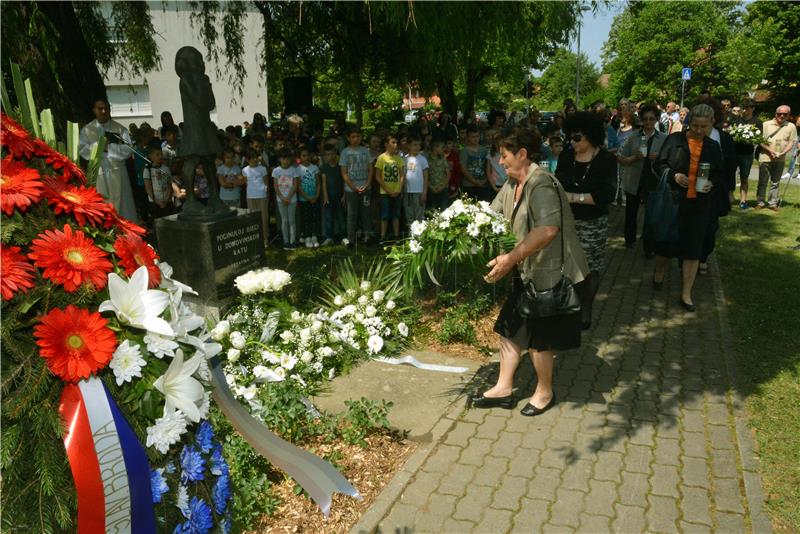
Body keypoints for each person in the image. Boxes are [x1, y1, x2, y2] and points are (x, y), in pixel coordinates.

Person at [474, 129, 589, 415]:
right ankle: (503, 388)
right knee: (511, 328)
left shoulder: (541, 184)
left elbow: (547, 230)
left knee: (540, 340)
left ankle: (545, 392)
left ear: (522, 154)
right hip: (526, 272)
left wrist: (510, 258)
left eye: (504, 155)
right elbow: (490, 215)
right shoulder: (512, 184)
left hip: (549, 274)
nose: (500, 162)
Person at [653, 103, 724, 312]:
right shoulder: (674, 140)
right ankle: (659, 272)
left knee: (693, 248)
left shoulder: (712, 146)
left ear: (711, 124)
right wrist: (674, 175)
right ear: (688, 123)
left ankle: (686, 293)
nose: (699, 130)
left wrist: (713, 184)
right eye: (695, 126)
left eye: (704, 126)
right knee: (667, 243)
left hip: (700, 204)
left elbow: (720, 173)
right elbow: (659, 165)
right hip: (674, 201)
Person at [556, 111, 617, 329]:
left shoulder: (606, 160)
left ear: (591, 136)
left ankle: (586, 307)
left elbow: (607, 195)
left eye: (577, 138)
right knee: (565, 266)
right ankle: (568, 305)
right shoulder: (566, 155)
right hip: (566, 221)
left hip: (593, 224)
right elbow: (558, 182)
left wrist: (575, 198)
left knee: (590, 268)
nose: (572, 142)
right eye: (570, 137)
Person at [79, 98, 139, 222]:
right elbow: (82, 150)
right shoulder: (87, 130)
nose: (104, 111)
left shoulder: (120, 129)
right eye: (100, 108)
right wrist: (99, 146)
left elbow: (129, 149)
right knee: (102, 203)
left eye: (106, 108)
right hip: (98, 173)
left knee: (123, 207)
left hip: (118, 172)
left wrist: (109, 148)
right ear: (94, 110)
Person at [618, 104, 667, 253]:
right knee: (631, 213)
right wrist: (634, 157)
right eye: (645, 119)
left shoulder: (664, 139)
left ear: (657, 119)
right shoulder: (633, 137)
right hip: (634, 180)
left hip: (653, 181)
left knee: (651, 214)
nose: (648, 122)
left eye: (652, 119)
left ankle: (649, 245)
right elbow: (620, 158)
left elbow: (670, 160)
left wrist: (659, 157)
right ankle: (630, 239)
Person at [756, 105, 798, 211]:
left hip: (780, 158)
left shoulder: (791, 126)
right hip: (765, 157)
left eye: (785, 114)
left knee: (775, 182)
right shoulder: (766, 124)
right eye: (779, 113)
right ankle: (760, 202)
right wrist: (771, 151)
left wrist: (783, 152)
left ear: (788, 115)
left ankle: (772, 203)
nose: (782, 116)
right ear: (775, 113)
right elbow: (759, 140)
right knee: (762, 181)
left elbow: (791, 142)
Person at [339, 125, 373, 245]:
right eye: (353, 137)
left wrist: (367, 184)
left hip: (365, 188)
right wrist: (353, 187)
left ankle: (368, 237)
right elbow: (344, 173)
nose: (356, 139)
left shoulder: (365, 151)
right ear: (348, 138)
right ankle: (351, 240)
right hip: (351, 189)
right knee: (352, 214)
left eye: (358, 136)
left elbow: (370, 169)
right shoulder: (345, 152)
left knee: (366, 213)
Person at [373, 134, 405, 242]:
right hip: (385, 192)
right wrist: (388, 190)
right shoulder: (381, 158)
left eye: (396, 143)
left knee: (396, 215)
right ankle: (383, 236)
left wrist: (398, 189)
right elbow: (377, 176)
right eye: (393, 142)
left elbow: (401, 175)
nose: (395, 145)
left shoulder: (399, 159)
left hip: (397, 192)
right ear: (386, 144)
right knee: (385, 215)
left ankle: (396, 236)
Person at [731, 99, 760, 209]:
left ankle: (743, 200)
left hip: (747, 153)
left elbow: (758, 138)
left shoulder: (757, 122)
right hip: (735, 152)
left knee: (744, 177)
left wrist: (750, 139)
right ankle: (730, 197)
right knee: (730, 176)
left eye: (748, 107)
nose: (745, 110)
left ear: (753, 109)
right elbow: (731, 133)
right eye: (744, 107)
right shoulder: (737, 120)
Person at [273, 149, 300, 249]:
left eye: (288, 158)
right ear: (280, 159)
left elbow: (295, 185)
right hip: (281, 200)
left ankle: (293, 241)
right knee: (284, 220)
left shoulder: (293, 170)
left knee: (291, 220)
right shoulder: (276, 171)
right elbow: (275, 186)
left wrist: (288, 197)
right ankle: (286, 241)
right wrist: (282, 198)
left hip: (291, 199)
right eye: (284, 158)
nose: (286, 161)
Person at [243, 149, 270, 248]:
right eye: (252, 158)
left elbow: (266, 183)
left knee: (263, 218)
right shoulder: (245, 170)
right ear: (247, 159)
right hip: (250, 196)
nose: (254, 159)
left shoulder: (262, 168)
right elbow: (247, 183)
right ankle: (255, 237)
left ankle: (265, 239)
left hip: (261, 195)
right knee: (253, 218)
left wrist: (266, 194)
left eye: (256, 157)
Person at [320, 144, 346, 246]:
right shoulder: (324, 168)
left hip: (339, 196)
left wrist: (344, 195)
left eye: (332, 154)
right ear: (325, 156)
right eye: (327, 154)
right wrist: (325, 196)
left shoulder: (340, 167)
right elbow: (323, 183)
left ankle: (343, 236)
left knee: (341, 217)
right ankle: (329, 237)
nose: (330, 156)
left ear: (336, 154)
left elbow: (344, 181)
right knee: (328, 217)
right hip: (329, 197)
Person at [297, 148, 321, 247]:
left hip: (314, 198)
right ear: (300, 158)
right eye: (303, 155)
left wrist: (316, 196)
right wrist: (306, 197)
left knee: (314, 218)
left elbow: (318, 183)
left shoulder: (315, 167)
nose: (306, 158)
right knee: (305, 218)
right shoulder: (298, 169)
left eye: (308, 155)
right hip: (304, 199)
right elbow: (298, 186)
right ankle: (307, 237)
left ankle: (314, 237)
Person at [460, 124, 490, 200]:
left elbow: (488, 166)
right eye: (472, 137)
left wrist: (485, 179)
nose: (475, 139)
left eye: (477, 136)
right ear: (468, 138)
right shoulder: (464, 151)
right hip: (469, 184)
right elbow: (463, 169)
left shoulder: (484, 150)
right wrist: (475, 182)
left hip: (483, 183)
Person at [143, 146, 174, 218]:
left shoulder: (166, 168)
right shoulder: (147, 169)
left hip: (167, 201)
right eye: (157, 155)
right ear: (150, 156)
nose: (160, 156)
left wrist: (168, 200)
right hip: (155, 202)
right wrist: (157, 201)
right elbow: (148, 187)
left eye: (161, 154)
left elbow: (170, 185)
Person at [404, 136, 429, 224]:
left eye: (419, 145)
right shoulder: (404, 159)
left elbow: (426, 177)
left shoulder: (422, 159)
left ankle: (419, 236)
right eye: (414, 145)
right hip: (407, 192)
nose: (417, 147)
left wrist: (424, 192)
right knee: (409, 215)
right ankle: (411, 235)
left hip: (419, 191)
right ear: (408, 146)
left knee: (419, 216)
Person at [427, 139, 451, 211]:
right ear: (435, 147)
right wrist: (431, 187)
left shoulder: (443, 159)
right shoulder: (427, 159)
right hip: (431, 189)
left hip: (443, 189)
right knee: (432, 210)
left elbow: (448, 174)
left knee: (444, 210)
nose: (444, 149)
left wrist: (442, 186)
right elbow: (425, 175)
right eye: (442, 147)